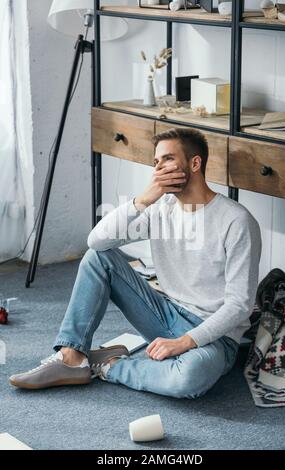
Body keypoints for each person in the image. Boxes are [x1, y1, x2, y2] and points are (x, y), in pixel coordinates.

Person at [10, 128, 262, 399]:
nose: (158, 169)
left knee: (189, 378)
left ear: (195, 163)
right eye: (156, 163)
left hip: (214, 336)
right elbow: (96, 242)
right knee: (99, 258)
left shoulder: (236, 221)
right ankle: (71, 356)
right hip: (165, 313)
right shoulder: (159, 209)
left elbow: (239, 305)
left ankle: (108, 366)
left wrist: (184, 342)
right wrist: (141, 201)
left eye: (167, 159)